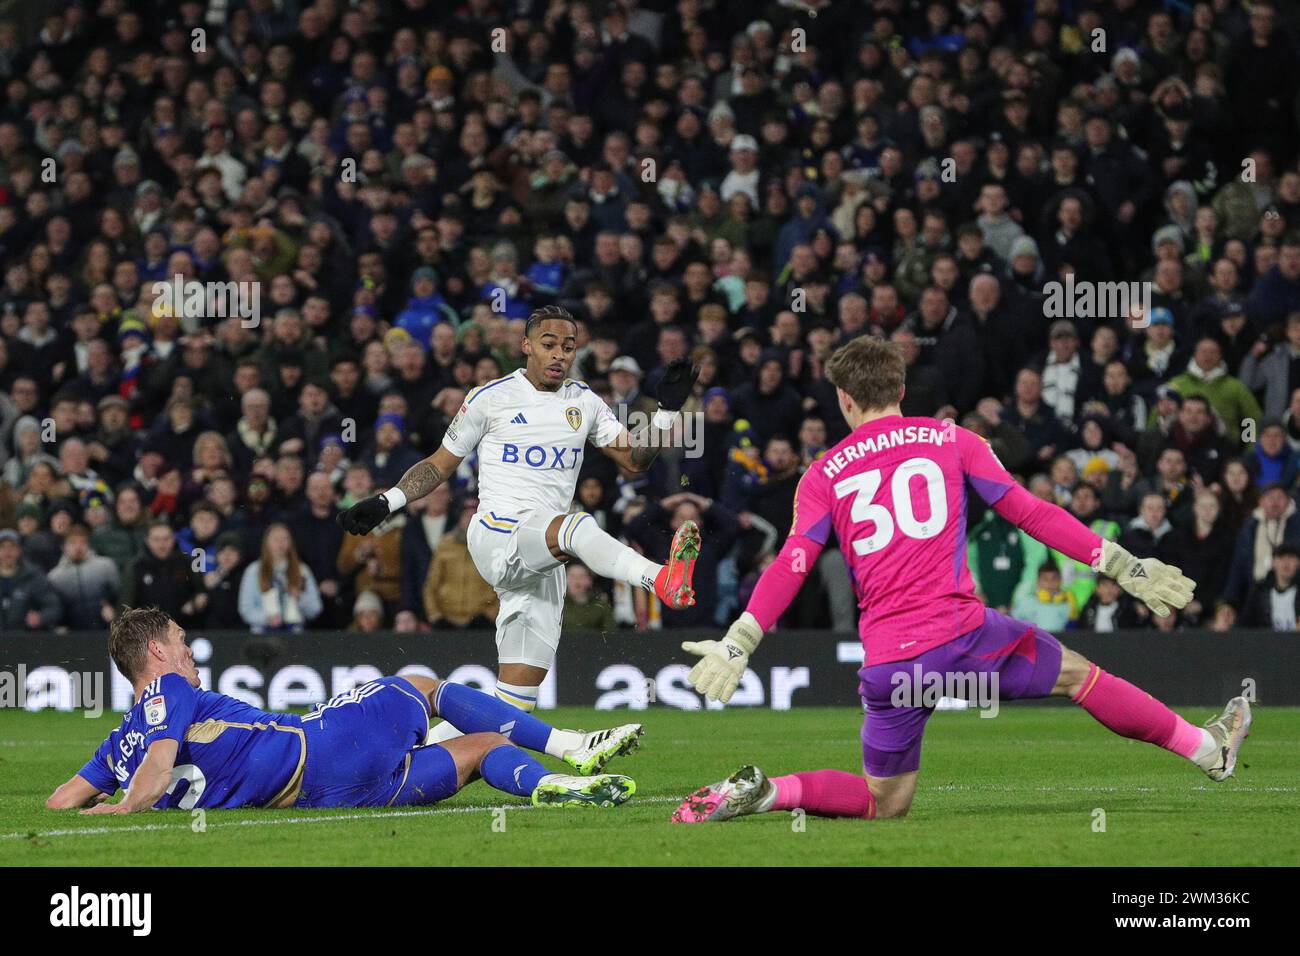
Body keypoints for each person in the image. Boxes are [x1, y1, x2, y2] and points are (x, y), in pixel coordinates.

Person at [671, 337, 1248, 825]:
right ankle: (1208, 751)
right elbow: (1029, 511)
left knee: (884, 804)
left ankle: (770, 791)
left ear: (843, 399)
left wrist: (741, 639)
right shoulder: (953, 440)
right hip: (963, 636)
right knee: (1078, 676)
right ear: (901, 390)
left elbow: (792, 562)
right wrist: (1121, 563)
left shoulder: (823, 473)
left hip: (891, 664)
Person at [337, 306, 699, 756]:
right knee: (577, 523)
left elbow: (635, 460)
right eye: (549, 344)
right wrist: (386, 501)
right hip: (497, 534)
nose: (559, 355)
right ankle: (660, 577)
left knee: (512, 706)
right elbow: (439, 463)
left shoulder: (584, 401)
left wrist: (665, 411)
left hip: (544, 559)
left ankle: (402, 757)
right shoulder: (490, 397)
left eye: (568, 347)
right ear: (526, 345)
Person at [45, 608, 638, 813]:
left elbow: (59, 800)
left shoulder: (113, 744)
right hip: (323, 748)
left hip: (323, 798)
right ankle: (569, 748)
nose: (189, 649)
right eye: (179, 639)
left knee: (483, 750)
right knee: (421, 683)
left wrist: (97, 799)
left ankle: (553, 786)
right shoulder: (168, 692)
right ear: (155, 652)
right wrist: (126, 807)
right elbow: (158, 763)